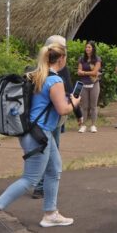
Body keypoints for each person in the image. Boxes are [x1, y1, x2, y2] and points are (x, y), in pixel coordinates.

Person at [0, 43, 80, 233]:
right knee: (30, 179)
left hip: (32, 132)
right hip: (40, 135)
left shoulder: (36, 75)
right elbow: (63, 109)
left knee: (54, 169)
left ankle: (50, 213)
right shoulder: (55, 80)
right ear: (62, 59)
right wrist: (75, 102)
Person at [33, 35, 71, 199]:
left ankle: (47, 199)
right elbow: (63, 105)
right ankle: (42, 187)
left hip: (37, 123)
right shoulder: (56, 76)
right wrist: (74, 105)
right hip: (49, 123)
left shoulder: (38, 71)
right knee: (50, 160)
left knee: (48, 159)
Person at [75, 41, 101, 133]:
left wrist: (84, 73)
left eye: (89, 47)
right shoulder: (82, 59)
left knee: (93, 106)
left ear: (93, 49)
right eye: (86, 47)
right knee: (84, 106)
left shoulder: (97, 59)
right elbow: (79, 71)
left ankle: (93, 125)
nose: (87, 49)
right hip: (84, 84)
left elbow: (95, 72)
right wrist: (86, 73)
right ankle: (83, 125)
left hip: (94, 84)